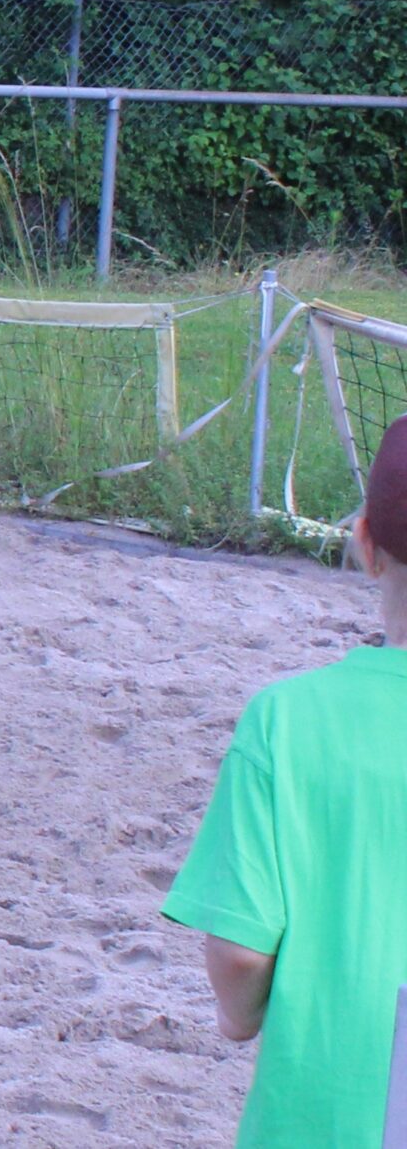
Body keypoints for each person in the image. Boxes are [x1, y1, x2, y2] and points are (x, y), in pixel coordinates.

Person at [160, 418, 407, 1146]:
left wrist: (238, 1016)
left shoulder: (287, 721)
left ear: (364, 544)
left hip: (324, 1114)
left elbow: (240, 952)